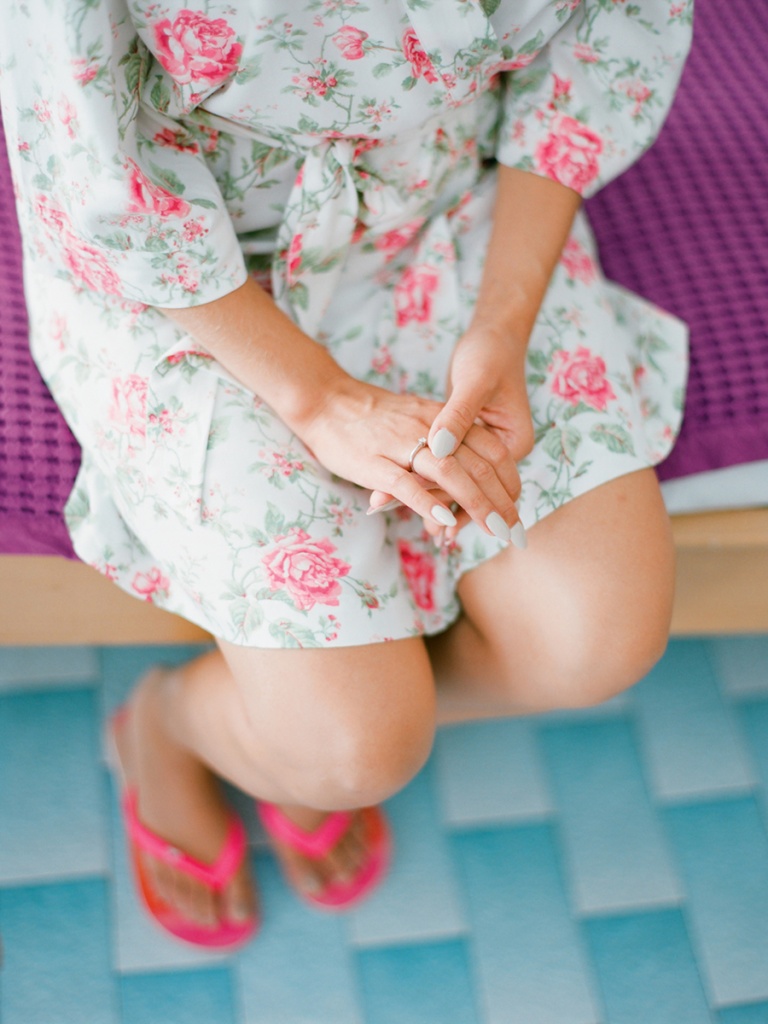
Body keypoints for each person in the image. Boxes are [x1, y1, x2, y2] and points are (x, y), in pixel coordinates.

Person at [0, 0, 692, 947]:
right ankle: (170, 721)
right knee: (350, 755)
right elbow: (88, 154)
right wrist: (319, 400)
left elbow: (607, 37)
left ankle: (319, 710)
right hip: (200, 269)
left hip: (448, 204)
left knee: (594, 646)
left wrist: (502, 323)